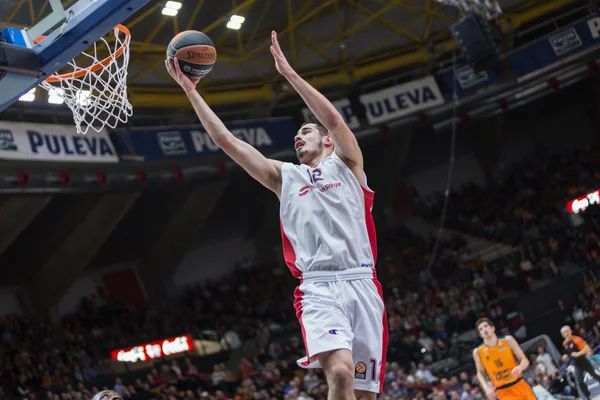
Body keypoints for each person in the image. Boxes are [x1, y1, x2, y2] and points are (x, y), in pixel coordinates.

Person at [165, 30, 387, 400]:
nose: (298, 138)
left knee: (364, 394)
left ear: (327, 142)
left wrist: (290, 75)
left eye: (305, 132)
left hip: (362, 283)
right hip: (318, 287)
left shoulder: (349, 165)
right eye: (296, 135)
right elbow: (227, 143)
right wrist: (191, 91)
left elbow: (334, 121)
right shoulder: (284, 176)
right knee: (343, 375)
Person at [472, 318, 535, 400]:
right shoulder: (478, 352)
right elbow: (480, 372)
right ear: (480, 335)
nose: (484, 329)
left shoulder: (508, 340)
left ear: (493, 328)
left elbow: (525, 360)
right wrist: (486, 388)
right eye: (481, 329)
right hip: (504, 391)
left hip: (520, 384)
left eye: (486, 326)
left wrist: (520, 367)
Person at [561, 325, 600, 399]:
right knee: (579, 381)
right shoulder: (564, 343)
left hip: (584, 362)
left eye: (567, 331)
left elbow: (587, 348)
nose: (566, 333)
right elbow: (571, 354)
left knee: (594, 374)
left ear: (570, 331)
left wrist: (578, 354)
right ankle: (587, 396)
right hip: (577, 365)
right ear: (562, 335)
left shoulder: (577, 339)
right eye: (564, 332)